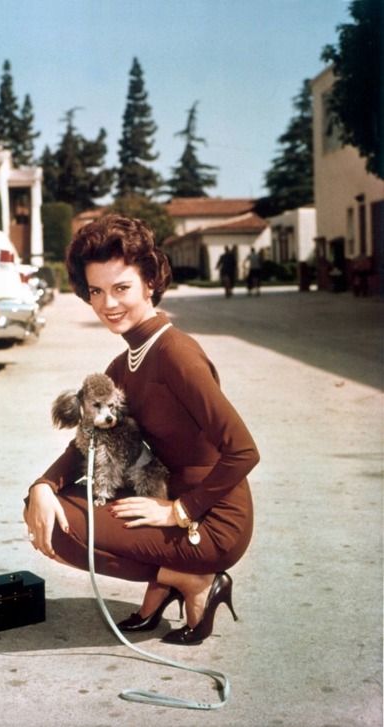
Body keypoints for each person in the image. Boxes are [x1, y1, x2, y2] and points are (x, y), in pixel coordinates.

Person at [24, 214, 259, 645]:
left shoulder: (177, 355)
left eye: (121, 288)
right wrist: (42, 485)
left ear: (150, 282)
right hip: (164, 494)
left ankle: (193, 579)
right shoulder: (124, 363)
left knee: (66, 529)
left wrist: (179, 511)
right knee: (45, 508)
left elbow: (244, 451)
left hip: (213, 518)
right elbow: (89, 442)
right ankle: (173, 580)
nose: (107, 304)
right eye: (96, 291)